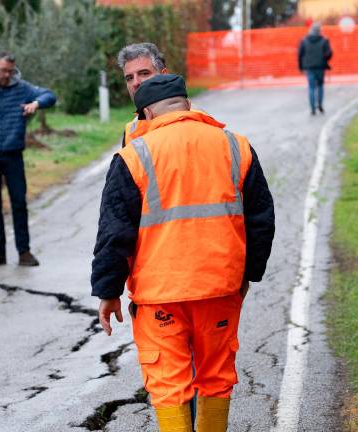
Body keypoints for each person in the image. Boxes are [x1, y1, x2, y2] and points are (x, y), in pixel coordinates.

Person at [91, 74, 275, 432]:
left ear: (145, 114)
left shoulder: (134, 156)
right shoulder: (237, 147)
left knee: (168, 385)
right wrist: (248, 274)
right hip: (220, 288)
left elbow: (114, 233)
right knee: (216, 378)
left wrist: (108, 291)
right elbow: (261, 220)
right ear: (187, 105)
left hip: (161, 295)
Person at [0, 51, 56, 267]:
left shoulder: (22, 88)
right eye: (3, 71)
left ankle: (24, 252)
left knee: (19, 202)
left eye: (10, 71)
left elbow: (50, 96)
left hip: (13, 154)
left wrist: (36, 104)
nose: (6, 75)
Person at [116, 43, 168, 147]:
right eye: (129, 78)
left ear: (164, 75)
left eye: (144, 73)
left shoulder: (192, 119)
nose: (136, 83)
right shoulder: (130, 131)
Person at [298, 22, 333, 115]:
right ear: (319, 31)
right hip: (320, 67)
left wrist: (300, 66)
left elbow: (300, 54)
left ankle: (313, 108)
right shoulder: (324, 40)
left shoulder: (304, 40)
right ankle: (320, 104)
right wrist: (325, 59)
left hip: (309, 67)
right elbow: (329, 54)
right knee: (320, 86)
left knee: (311, 87)